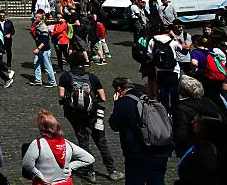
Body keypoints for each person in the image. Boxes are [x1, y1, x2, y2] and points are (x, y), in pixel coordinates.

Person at [56, 52, 120, 182]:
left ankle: (90, 172)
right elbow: (103, 97)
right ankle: (112, 170)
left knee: (83, 142)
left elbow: (61, 95)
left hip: (75, 116)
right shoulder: (92, 77)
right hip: (93, 114)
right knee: (101, 142)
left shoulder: (65, 77)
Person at [109, 77, 170, 185]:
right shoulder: (148, 98)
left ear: (119, 89)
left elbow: (114, 125)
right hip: (160, 149)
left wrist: (116, 104)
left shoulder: (124, 102)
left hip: (137, 153)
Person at [21, 110, 95, 185]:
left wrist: (39, 176)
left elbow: (27, 164)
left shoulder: (38, 144)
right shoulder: (67, 143)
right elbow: (89, 159)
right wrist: (70, 167)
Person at [173, 104, 227, 185]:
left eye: (196, 121)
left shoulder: (205, 154)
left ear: (205, 126)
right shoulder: (221, 148)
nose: (192, 122)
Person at [172, 75, 227, 157]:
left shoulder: (182, 108)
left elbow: (181, 133)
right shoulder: (209, 102)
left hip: (194, 150)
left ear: (184, 90)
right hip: (216, 146)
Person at [31, 13, 57, 87]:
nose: (35, 18)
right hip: (41, 50)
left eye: (36, 17)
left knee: (48, 66)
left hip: (44, 50)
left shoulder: (43, 27)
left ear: (40, 18)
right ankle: (38, 80)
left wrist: (38, 48)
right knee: (36, 63)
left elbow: (45, 40)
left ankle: (53, 82)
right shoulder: (37, 25)